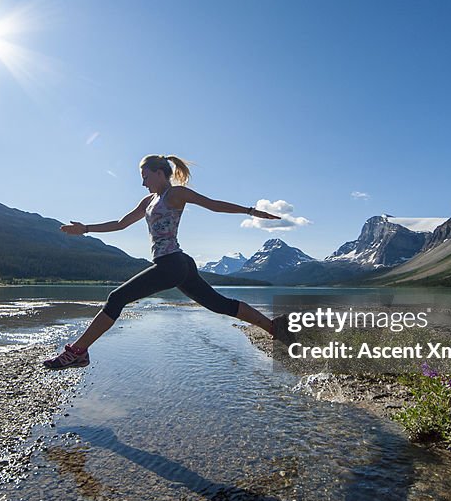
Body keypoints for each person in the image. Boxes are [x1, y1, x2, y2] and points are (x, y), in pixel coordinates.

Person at [43, 154, 282, 369]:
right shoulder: (148, 201)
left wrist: (251, 211)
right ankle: (274, 329)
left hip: (172, 264)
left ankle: (78, 352)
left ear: (159, 173)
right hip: (178, 264)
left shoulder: (175, 193)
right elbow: (120, 223)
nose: (143, 183)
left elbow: (213, 205)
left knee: (116, 298)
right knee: (219, 304)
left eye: (145, 177)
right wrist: (85, 228)